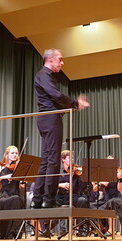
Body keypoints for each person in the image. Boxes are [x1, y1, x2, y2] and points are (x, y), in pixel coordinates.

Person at [32, 48, 90, 209]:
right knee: (53, 159)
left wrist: (73, 106)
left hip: (46, 119)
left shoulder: (44, 76)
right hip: (50, 119)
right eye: (60, 59)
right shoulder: (44, 75)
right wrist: (75, 103)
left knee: (46, 159)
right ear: (50, 60)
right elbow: (56, 95)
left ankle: (38, 198)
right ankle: (48, 198)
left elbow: (54, 98)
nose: (62, 62)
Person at [0, 145, 25, 239]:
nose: (15, 155)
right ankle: (8, 233)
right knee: (14, 200)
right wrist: (2, 177)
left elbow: (22, 187)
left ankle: (15, 232)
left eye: (16, 153)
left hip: (16, 194)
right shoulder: (0, 168)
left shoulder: (19, 168)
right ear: (7, 155)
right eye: (12, 153)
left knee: (17, 199)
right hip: (4, 196)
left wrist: (23, 183)